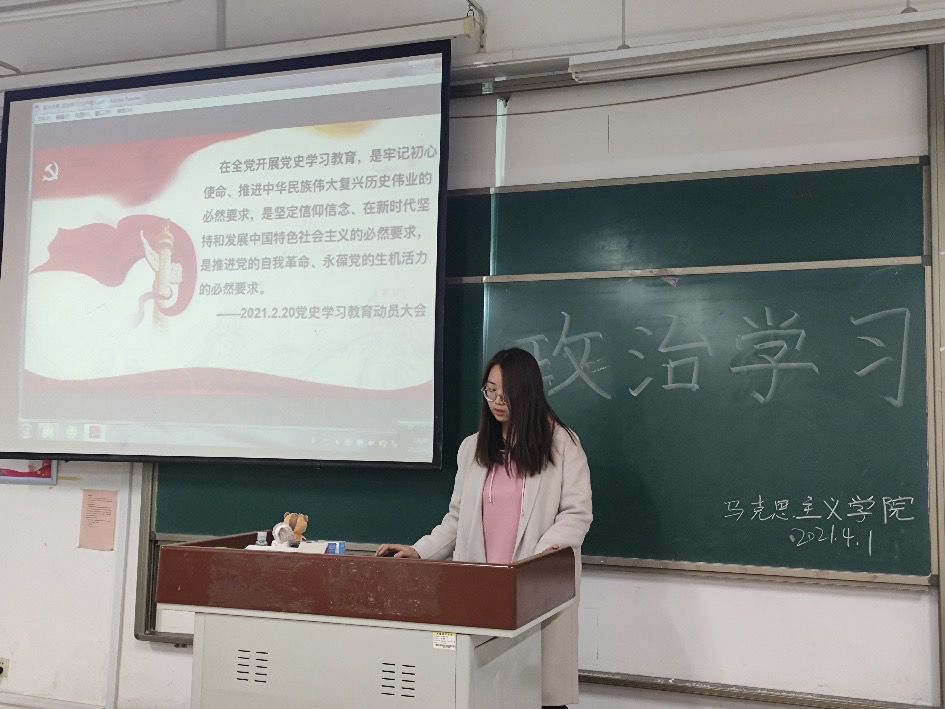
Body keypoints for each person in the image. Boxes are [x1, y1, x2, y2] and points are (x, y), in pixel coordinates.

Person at [376, 347, 593, 708]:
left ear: (527, 392)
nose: (496, 402)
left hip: (535, 591)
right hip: (482, 591)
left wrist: (539, 561)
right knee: (486, 691)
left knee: (539, 693)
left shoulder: (562, 445)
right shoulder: (472, 449)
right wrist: (419, 551)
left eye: (505, 394)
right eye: (490, 391)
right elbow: (456, 519)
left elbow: (576, 514)